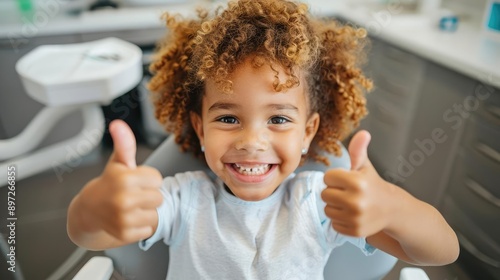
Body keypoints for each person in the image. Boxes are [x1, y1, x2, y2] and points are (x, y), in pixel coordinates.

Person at [67, 0, 459, 278]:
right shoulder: (182, 201)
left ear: (308, 132)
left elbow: (441, 252)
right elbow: (90, 233)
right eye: (227, 117)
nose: (252, 140)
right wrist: (96, 207)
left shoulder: (323, 204)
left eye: (277, 118)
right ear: (200, 129)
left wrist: (392, 207)